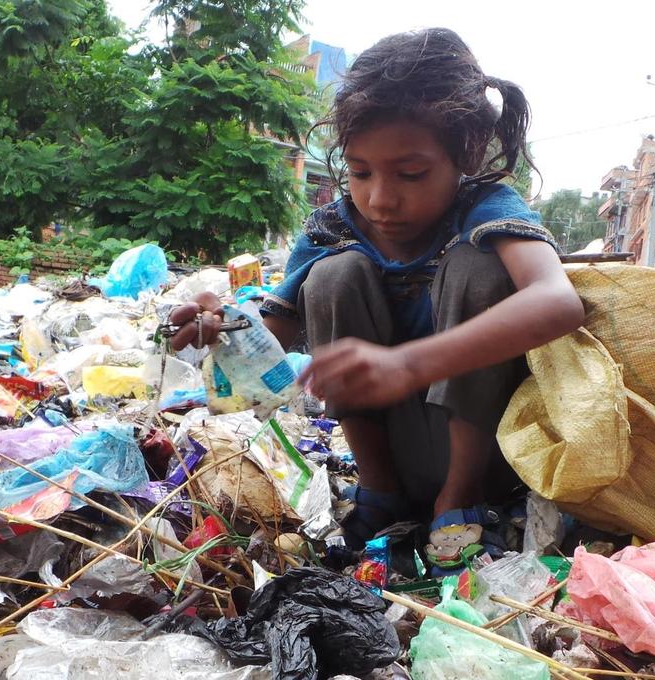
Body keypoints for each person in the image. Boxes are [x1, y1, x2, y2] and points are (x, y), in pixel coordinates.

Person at [168, 28, 585, 554]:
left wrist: (410, 364)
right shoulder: (335, 225)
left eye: (410, 173)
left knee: (476, 266)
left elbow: (557, 299)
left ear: (468, 153)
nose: (380, 199)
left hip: (490, 462)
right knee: (333, 274)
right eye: (361, 173)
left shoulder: (486, 208)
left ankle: (457, 498)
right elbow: (270, 332)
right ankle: (380, 492)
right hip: (391, 454)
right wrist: (220, 328)